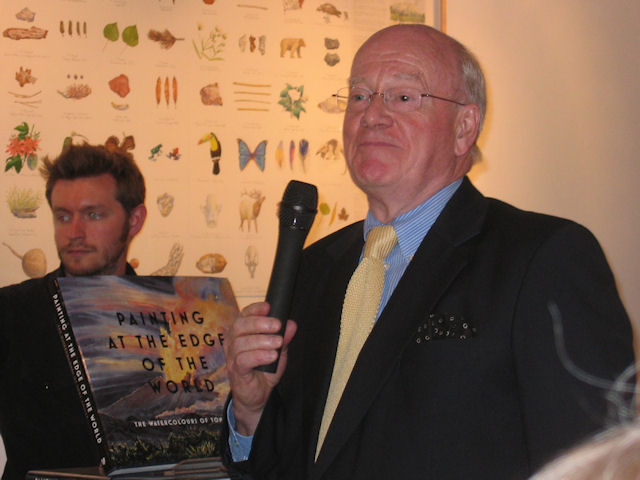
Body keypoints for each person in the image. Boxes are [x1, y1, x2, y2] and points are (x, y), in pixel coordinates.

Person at [221, 24, 635, 480]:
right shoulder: (314, 269)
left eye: (403, 97)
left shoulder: (542, 259)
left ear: (464, 128)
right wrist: (250, 410)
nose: (371, 115)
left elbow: (596, 465)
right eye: (359, 96)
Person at [0, 143, 147, 480]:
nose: (74, 232)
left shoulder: (175, 316)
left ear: (134, 220)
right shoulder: (10, 314)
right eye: (63, 216)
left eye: (94, 214)